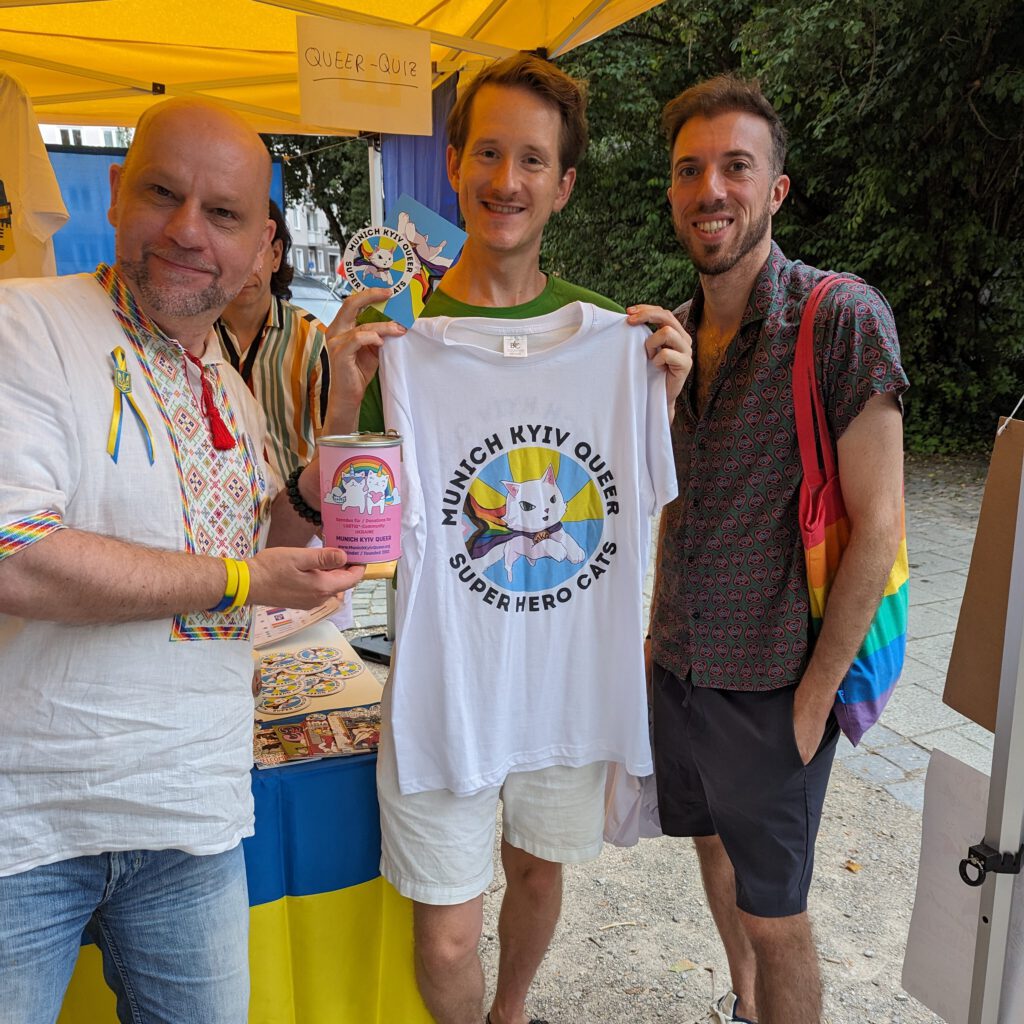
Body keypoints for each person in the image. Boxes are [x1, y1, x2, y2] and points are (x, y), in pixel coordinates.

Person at [311, 53, 691, 1024]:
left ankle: (511, 1011)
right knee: (442, 931)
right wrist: (344, 393)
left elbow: (655, 498)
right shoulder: (404, 346)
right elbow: (352, 541)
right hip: (449, 684)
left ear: (561, 185)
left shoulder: (618, 343)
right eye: (487, 152)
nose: (504, 181)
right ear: (452, 163)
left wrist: (668, 402)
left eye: (531, 159)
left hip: (565, 677)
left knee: (535, 875)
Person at [0, 97, 383, 1024]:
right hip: (28, 826)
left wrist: (317, 467)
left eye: (222, 213)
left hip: (195, 819)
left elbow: (251, 550)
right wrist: (247, 578)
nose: (186, 231)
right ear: (117, 195)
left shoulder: (225, 381)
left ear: (262, 249)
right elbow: (15, 556)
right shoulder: (27, 324)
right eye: (163, 194)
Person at [648, 75, 908, 1024]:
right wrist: (653, 638)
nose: (711, 188)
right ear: (672, 191)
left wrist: (813, 700)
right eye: (690, 169)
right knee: (713, 849)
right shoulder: (674, 337)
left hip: (773, 683)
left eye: (735, 166)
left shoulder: (839, 318)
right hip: (681, 666)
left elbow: (879, 526)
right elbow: (674, 503)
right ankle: (746, 1007)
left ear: (777, 189)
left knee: (778, 914)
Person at [216, 198, 330, 483]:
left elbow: (331, 445)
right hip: (215, 517)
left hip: (292, 514)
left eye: (256, 250)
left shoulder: (313, 339)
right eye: (232, 249)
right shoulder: (191, 337)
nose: (245, 268)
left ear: (276, 255)